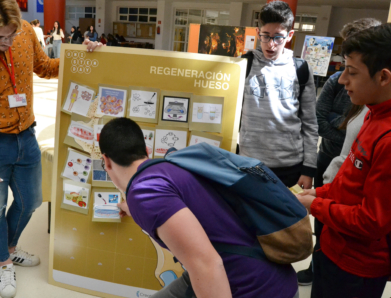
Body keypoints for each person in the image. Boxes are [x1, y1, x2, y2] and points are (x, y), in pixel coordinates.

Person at [0, 0, 103, 297]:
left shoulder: (23, 32)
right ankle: (3, 262)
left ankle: (9, 248)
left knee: (32, 200)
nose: (9, 42)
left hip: (26, 135)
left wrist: (80, 56)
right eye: (0, 37)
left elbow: (45, 67)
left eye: (12, 35)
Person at [100, 118, 299, 298]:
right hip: (269, 271)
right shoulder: (169, 168)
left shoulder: (144, 193)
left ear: (106, 161)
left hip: (252, 287)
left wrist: (136, 204)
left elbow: (208, 266)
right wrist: (130, 207)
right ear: (146, 152)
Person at [297, 24, 391, 298]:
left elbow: (372, 221)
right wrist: (319, 193)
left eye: (352, 73)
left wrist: (316, 205)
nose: (341, 81)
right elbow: (350, 182)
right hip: (334, 248)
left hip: (357, 269)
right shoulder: (373, 113)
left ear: (383, 77)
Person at [239, 1, 318, 189]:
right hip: (249, 164)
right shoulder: (244, 64)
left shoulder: (301, 69)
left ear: (290, 35)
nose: (271, 45)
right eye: (265, 36)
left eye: (278, 38)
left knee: (288, 219)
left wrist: (309, 169)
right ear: (258, 33)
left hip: (290, 167)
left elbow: (310, 123)